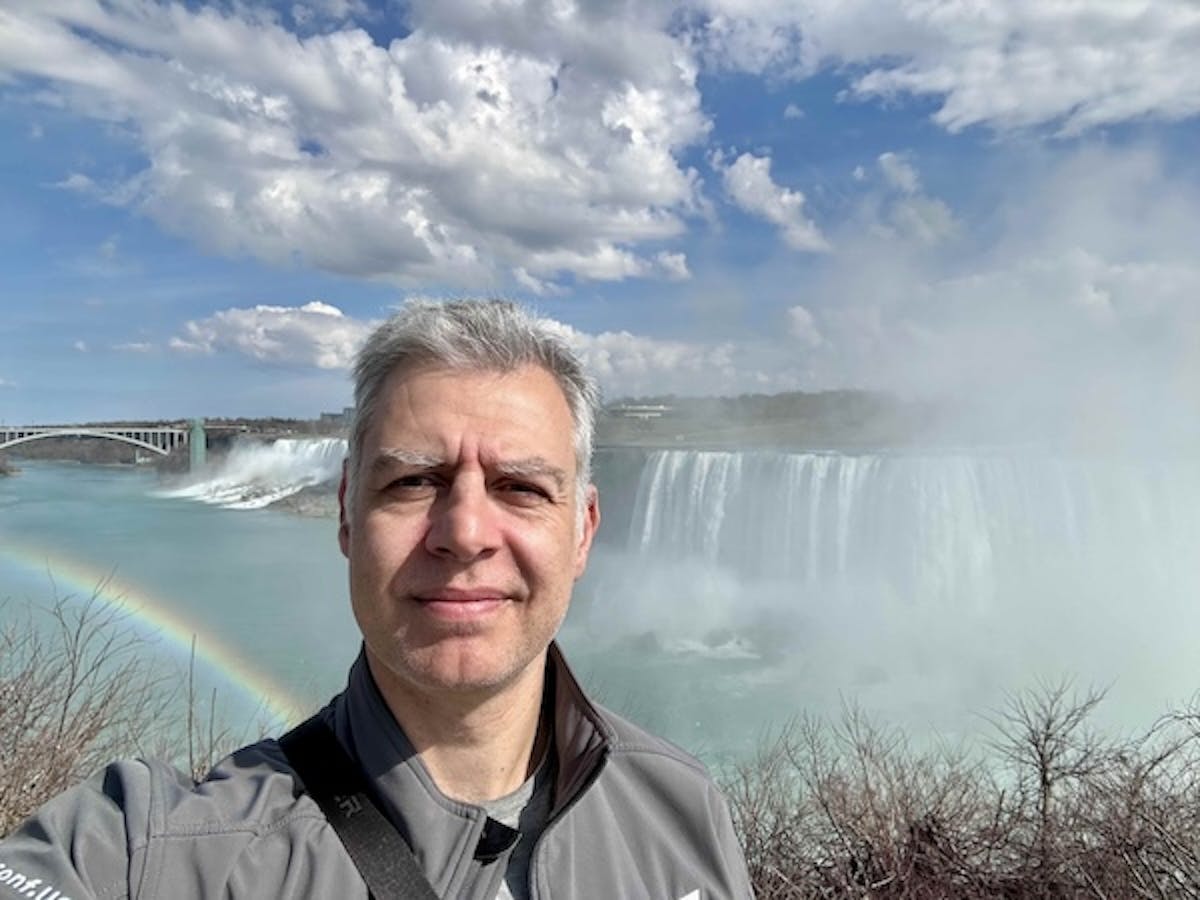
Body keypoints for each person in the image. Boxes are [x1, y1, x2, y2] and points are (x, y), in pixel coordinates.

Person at [0, 300, 754, 900]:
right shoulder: (162, 849)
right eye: (412, 482)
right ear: (345, 518)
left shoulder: (686, 817)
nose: (464, 533)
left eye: (520, 487)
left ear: (583, 532)